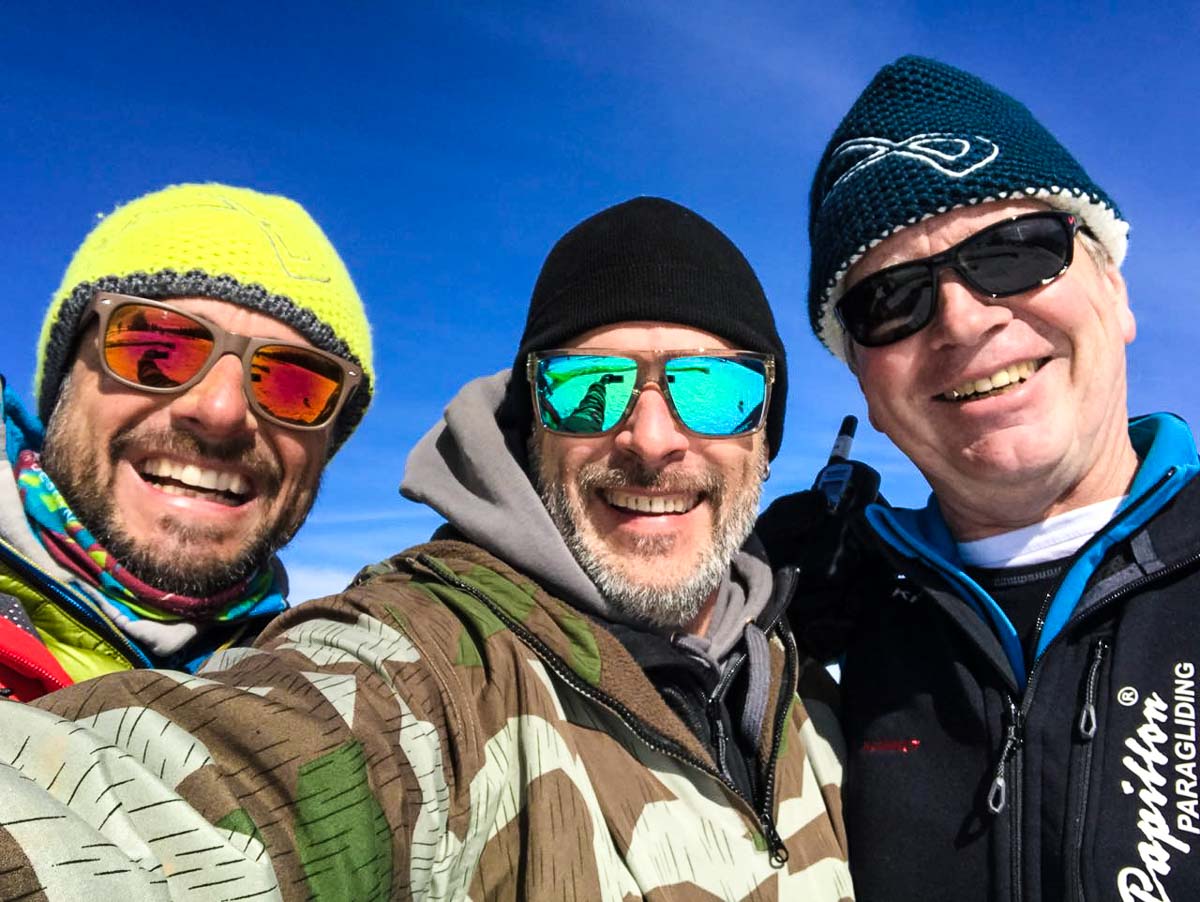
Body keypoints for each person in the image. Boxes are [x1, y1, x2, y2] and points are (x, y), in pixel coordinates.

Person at [0, 196, 852, 899]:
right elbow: (180, 794)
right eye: (588, 388)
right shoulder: (431, 669)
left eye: (715, 388)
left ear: (765, 436)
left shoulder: (814, 696)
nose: (653, 437)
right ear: (531, 431)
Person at [786, 54, 1200, 900]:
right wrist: (732, 612)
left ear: (1115, 289)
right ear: (864, 380)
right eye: (890, 300)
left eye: (1014, 253)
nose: (962, 320)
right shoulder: (806, 652)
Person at [0, 182, 372, 699]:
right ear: (65, 381)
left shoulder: (331, 694)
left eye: (295, 384)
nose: (221, 411)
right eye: (155, 349)